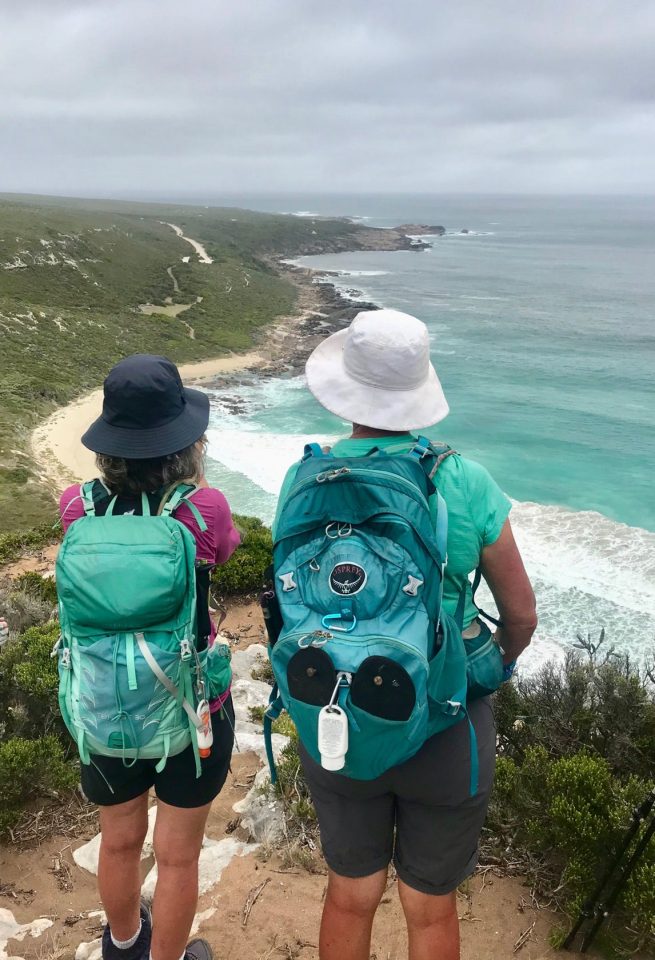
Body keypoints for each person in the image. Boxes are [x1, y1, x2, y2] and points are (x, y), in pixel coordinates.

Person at [272, 310, 537, 960]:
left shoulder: (303, 477)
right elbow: (521, 614)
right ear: (418, 391)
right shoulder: (464, 481)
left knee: (350, 892)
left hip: (334, 711)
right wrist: (487, 668)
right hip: (445, 724)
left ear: (347, 389)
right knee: (427, 905)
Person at [59, 355, 240, 960]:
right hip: (191, 711)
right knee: (178, 853)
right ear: (183, 440)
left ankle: (125, 944)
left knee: (118, 840)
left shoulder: (76, 507)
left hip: (104, 704)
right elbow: (226, 552)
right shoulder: (203, 509)